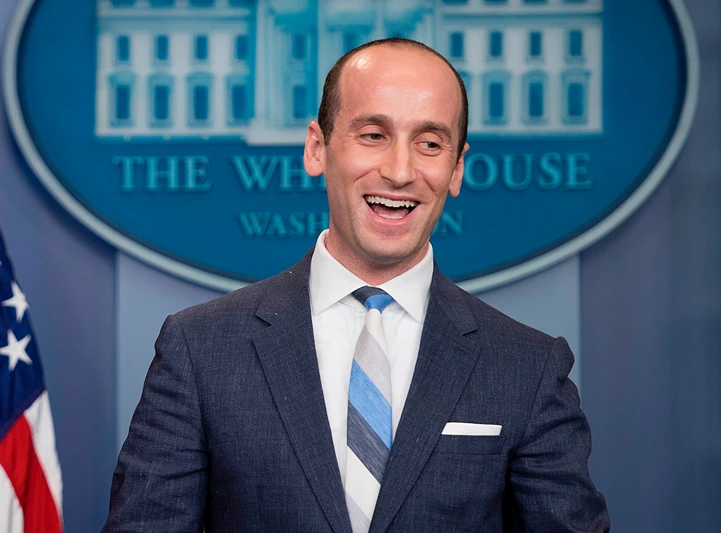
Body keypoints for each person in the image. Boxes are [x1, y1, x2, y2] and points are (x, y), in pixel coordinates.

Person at [103, 38, 610, 532]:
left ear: (456, 168)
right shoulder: (200, 349)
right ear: (317, 148)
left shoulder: (527, 366)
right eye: (373, 135)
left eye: (429, 144)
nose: (399, 171)